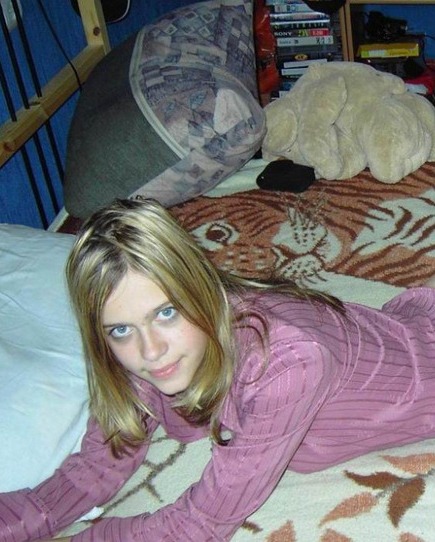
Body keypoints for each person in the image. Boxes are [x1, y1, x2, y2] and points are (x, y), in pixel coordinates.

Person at [2, 197, 435, 542]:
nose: (150, 351)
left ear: (199, 287)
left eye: (166, 312)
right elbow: (95, 466)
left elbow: (199, 525)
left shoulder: (287, 368)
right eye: (120, 330)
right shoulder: (147, 343)